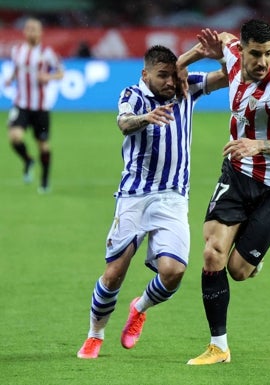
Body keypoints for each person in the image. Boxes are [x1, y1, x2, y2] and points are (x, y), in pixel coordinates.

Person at [76, 43, 228, 359]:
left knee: (173, 272)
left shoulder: (188, 86)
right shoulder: (133, 95)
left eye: (173, 75)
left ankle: (140, 306)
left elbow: (229, 77)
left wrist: (213, 53)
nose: (171, 82)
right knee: (115, 272)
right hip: (134, 196)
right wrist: (147, 117)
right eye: (163, 76)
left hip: (173, 197)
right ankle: (95, 334)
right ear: (145, 74)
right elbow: (124, 123)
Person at [185, 19, 270, 365]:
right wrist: (203, 53)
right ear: (241, 50)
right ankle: (219, 346)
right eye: (256, 53)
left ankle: (252, 258)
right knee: (212, 253)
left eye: (269, 54)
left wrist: (258, 145)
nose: (263, 61)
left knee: (239, 270)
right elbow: (224, 38)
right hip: (238, 171)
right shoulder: (230, 53)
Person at [4, 17, 64, 193]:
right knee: (15, 137)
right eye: (28, 29)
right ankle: (28, 160)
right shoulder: (17, 50)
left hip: (40, 107)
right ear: (24, 32)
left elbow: (61, 72)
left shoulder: (47, 53)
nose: (30, 32)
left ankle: (44, 180)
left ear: (40, 32)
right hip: (21, 104)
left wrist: (49, 77)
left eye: (34, 29)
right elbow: (17, 68)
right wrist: (11, 78)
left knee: (43, 145)